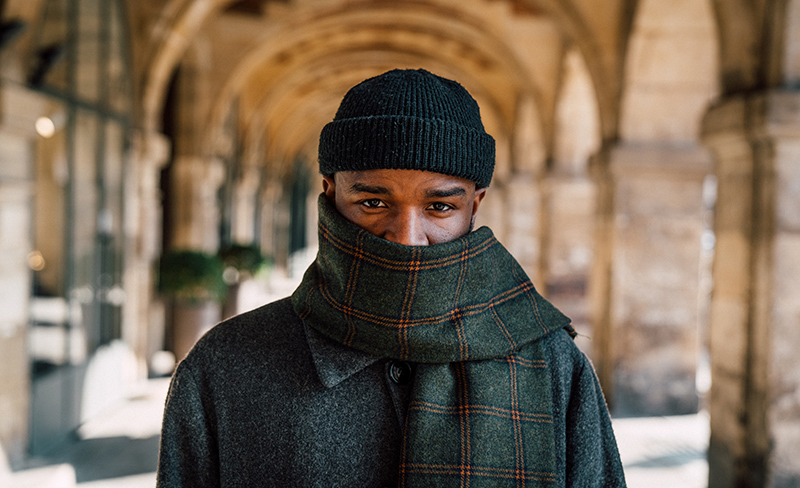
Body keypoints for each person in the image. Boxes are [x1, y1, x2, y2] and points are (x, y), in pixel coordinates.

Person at [157, 68, 626, 487]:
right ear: (330, 193)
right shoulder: (225, 366)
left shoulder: (551, 365)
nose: (406, 238)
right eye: (374, 203)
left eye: (440, 207)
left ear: (474, 206)